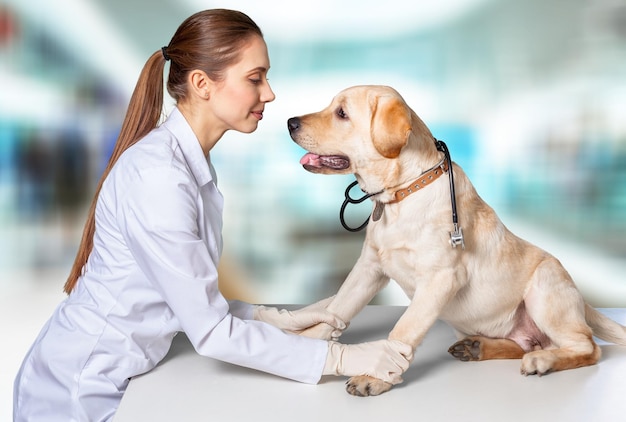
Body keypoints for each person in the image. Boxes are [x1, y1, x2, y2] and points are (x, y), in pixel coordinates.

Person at [13, 9, 412, 422]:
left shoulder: (186, 163)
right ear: (202, 84)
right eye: (255, 78)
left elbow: (189, 299)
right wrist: (341, 358)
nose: (270, 93)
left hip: (125, 376)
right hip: (77, 392)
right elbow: (211, 332)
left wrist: (277, 319)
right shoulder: (158, 177)